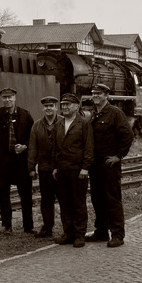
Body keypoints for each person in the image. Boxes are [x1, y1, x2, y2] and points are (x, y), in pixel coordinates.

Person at [87, 84, 134, 248]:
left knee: (112, 199)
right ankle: (101, 232)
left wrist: (118, 156)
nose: (95, 96)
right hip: (95, 165)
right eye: (93, 94)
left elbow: (128, 135)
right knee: (97, 199)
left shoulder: (115, 113)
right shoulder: (94, 114)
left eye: (98, 94)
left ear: (106, 95)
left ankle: (117, 235)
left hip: (109, 164)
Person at [54, 93, 94, 248]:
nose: (64, 107)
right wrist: (55, 167)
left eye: (68, 104)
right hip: (62, 170)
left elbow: (88, 148)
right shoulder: (59, 124)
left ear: (76, 107)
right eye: (63, 105)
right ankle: (68, 232)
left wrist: (85, 168)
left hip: (78, 170)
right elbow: (55, 148)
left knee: (78, 203)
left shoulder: (84, 123)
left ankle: (79, 234)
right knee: (64, 203)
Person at [0, 87, 35, 233]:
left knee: (25, 193)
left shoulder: (25, 115)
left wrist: (24, 146)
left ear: (15, 98)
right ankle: (7, 225)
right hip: (4, 160)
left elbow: (33, 137)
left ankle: (28, 226)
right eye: (4, 97)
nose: (7, 100)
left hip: (21, 161)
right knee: (3, 194)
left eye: (9, 97)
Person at [28, 95, 60, 238]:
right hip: (44, 168)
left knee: (64, 198)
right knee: (46, 199)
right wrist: (31, 166)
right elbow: (33, 147)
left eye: (51, 106)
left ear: (56, 107)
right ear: (43, 108)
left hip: (60, 168)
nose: (48, 108)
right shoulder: (37, 125)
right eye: (46, 106)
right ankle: (47, 227)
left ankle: (69, 227)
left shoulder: (63, 122)